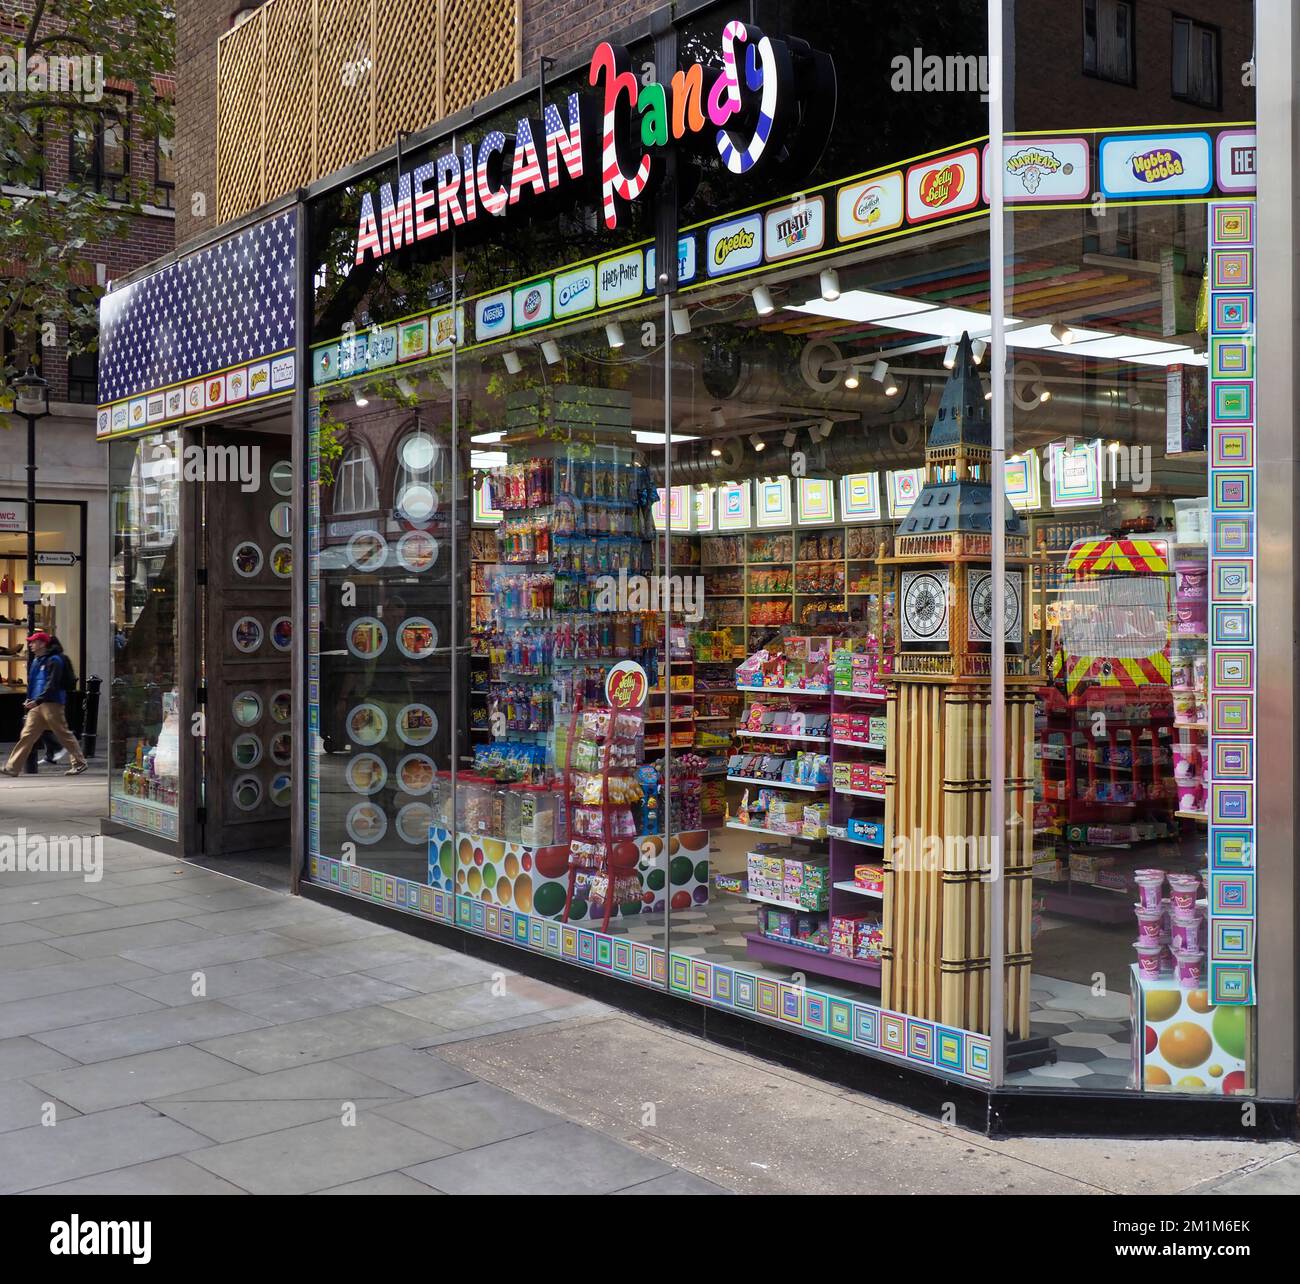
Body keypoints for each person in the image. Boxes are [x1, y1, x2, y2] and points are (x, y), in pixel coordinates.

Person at [1, 631, 87, 777]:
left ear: (42, 643)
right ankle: (12, 767)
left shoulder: (55, 660)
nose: (30, 645)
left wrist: (36, 700)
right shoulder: (36, 661)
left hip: (52, 703)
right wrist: (30, 699)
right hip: (37, 704)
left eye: (33, 642)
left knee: (63, 734)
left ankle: (79, 763)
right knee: (27, 735)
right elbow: (33, 683)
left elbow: (52, 684)